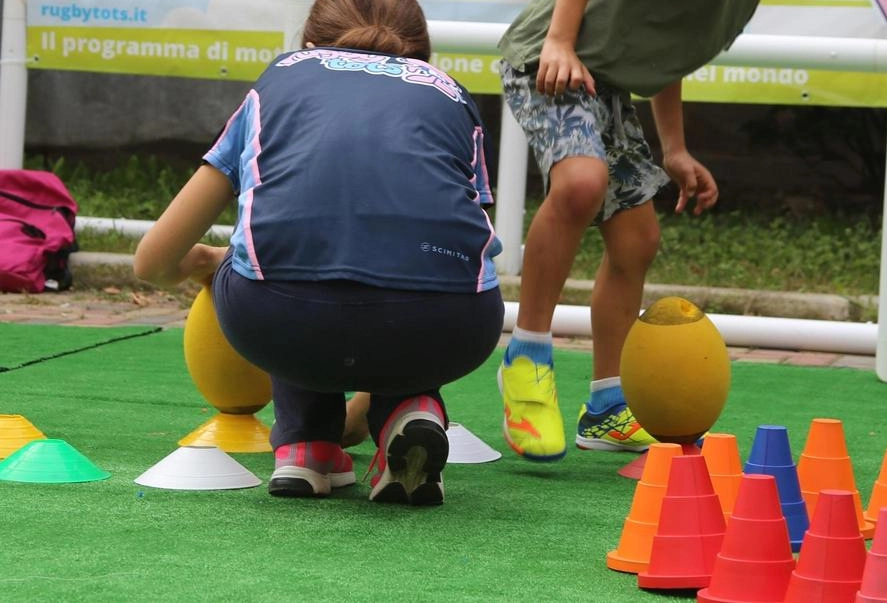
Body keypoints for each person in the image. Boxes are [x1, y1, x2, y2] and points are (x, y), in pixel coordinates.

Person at [133, 0, 504, 505]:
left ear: (308, 43)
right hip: (449, 329)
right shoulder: (451, 95)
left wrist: (206, 263)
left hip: (278, 324)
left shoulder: (278, 80)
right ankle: (410, 406)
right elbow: (461, 246)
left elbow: (151, 262)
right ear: (421, 52)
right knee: (412, 286)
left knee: (279, 270)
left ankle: (306, 446)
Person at [495, 0, 759, 461]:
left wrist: (675, 148)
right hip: (549, 57)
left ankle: (607, 405)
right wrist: (559, 40)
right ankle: (527, 355)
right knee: (581, 183)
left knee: (637, 239)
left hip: (607, 87)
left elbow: (663, 45)